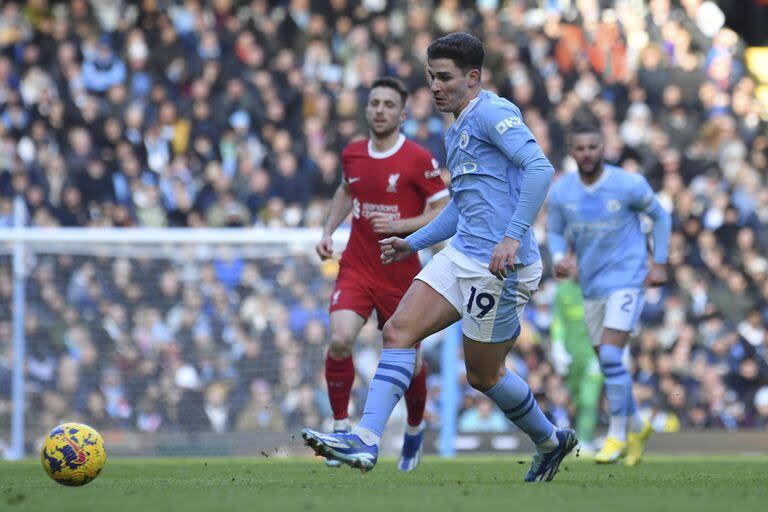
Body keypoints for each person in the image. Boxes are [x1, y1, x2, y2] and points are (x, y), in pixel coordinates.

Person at [303, 32, 577, 482]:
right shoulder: (457, 128)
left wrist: (512, 236)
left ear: (473, 78)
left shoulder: (493, 112)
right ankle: (367, 440)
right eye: (431, 77)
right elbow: (461, 207)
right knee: (398, 331)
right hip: (463, 254)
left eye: (444, 77)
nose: (434, 86)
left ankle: (550, 441)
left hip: (501, 269)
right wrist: (413, 242)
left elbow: (540, 168)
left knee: (484, 377)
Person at [315, 76, 449, 471]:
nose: (379, 110)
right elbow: (345, 191)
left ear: (402, 114)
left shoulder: (419, 159)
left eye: (388, 104)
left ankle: (413, 429)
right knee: (340, 339)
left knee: (412, 363)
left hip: (401, 272)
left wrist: (404, 224)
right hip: (357, 266)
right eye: (374, 103)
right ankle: (341, 427)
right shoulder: (353, 154)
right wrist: (327, 231)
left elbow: (443, 209)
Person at [546, 119, 672, 466]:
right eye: (580, 148)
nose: (587, 154)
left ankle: (616, 434)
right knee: (608, 361)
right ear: (572, 151)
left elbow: (660, 217)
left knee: (613, 359)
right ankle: (637, 425)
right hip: (591, 285)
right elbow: (555, 232)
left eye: (593, 147)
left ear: (604, 149)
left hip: (628, 279)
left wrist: (658, 262)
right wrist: (558, 258)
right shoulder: (562, 192)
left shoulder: (627, 184)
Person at [549, 278, 602, 454]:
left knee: (589, 399)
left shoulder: (598, 288)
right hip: (571, 357)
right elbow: (558, 321)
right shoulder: (562, 290)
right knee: (577, 401)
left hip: (592, 355)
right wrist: (557, 347)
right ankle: (580, 437)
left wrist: (603, 351)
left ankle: (585, 441)